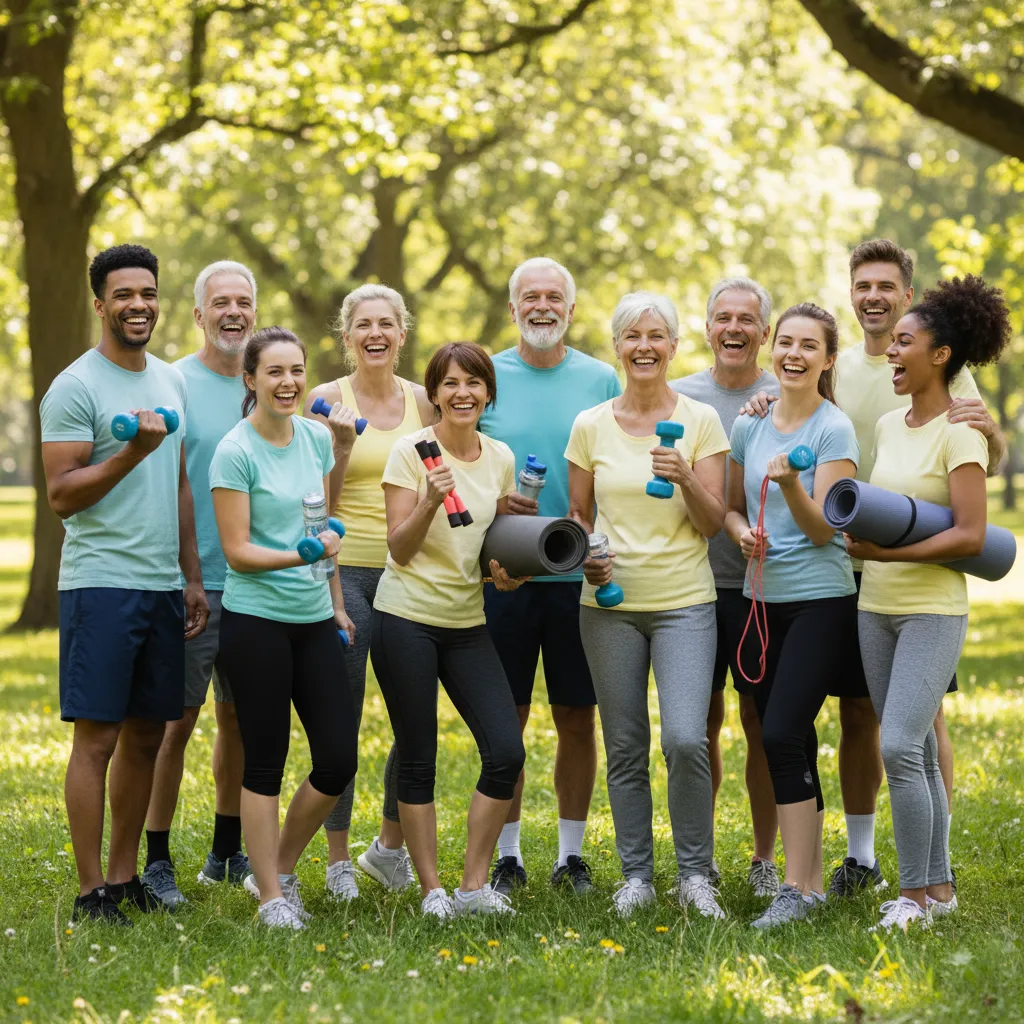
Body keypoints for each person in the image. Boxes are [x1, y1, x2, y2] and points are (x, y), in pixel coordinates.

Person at [740, 239, 1006, 897]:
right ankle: (866, 859)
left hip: (902, 570)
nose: (875, 300)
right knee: (866, 723)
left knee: (915, 733)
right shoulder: (884, 408)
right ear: (852, 291)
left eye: (887, 287)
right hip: (853, 575)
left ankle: (930, 881)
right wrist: (761, 398)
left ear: (908, 299)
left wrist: (995, 435)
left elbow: (972, 452)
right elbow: (795, 399)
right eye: (863, 285)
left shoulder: (942, 369)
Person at [40, 244, 207, 924]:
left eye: (147, 292)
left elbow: (177, 485)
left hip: (162, 585)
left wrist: (192, 576)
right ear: (101, 303)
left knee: (146, 736)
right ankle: (88, 893)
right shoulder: (75, 386)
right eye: (124, 294)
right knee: (99, 739)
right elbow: (60, 494)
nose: (138, 304)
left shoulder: (171, 382)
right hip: (101, 585)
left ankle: (123, 876)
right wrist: (131, 451)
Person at [845, 276, 1010, 931]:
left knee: (901, 745)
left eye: (905, 342)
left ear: (940, 355)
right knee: (911, 753)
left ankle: (911, 897)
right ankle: (938, 890)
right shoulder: (889, 424)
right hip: (875, 608)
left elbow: (969, 534)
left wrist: (884, 556)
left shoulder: (961, 431)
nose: (892, 350)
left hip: (933, 610)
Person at [567, 292, 730, 919]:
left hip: (684, 601)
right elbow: (577, 516)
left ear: (673, 346)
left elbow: (714, 524)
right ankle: (637, 874)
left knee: (688, 739)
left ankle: (695, 874)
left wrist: (687, 475)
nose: (644, 346)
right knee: (626, 743)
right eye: (632, 335)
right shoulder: (591, 424)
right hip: (607, 606)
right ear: (617, 346)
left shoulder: (700, 420)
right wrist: (585, 554)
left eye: (656, 335)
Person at [477, 257, 621, 896]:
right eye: (529, 297)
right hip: (505, 575)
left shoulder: (600, 378)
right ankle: (507, 856)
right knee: (505, 719)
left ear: (570, 308)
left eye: (553, 297)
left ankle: (571, 856)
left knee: (575, 716)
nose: (542, 306)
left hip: (576, 578)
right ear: (513, 310)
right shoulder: (486, 377)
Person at [370, 342, 527, 919]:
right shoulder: (411, 452)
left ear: (488, 393)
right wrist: (430, 503)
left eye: (474, 383)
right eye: (450, 383)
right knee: (418, 755)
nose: (463, 393)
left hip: (467, 621)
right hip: (405, 617)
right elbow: (400, 549)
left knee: (506, 752)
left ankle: (471, 887)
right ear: (433, 393)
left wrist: (505, 576)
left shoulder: (500, 457)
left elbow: (489, 550)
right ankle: (432, 890)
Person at [210, 327, 358, 930]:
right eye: (273, 371)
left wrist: (338, 601)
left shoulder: (317, 439)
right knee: (265, 760)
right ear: (250, 380)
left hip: (315, 618)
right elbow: (238, 551)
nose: (288, 382)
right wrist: (303, 556)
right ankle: (271, 896)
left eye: (296, 370)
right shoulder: (234, 451)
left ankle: (276, 867)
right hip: (256, 622)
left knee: (337, 759)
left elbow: (323, 530)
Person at [724, 303, 860, 929]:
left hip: (820, 601)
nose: (794, 354)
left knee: (780, 733)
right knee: (787, 736)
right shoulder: (750, 424)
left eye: (810, 346)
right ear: (772, 350)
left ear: (828, 359)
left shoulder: (834, 431)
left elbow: (826, 530)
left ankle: (798, 891)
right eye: (786, 342)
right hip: (759, 602)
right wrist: (739, 534)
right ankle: (806, 882)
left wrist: (788, 488)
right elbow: (728, 507)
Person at [304, 283, 435, 901]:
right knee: (342, 720)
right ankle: (335, 861)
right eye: (364, 324)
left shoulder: (425, 403)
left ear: (402, 334)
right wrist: (341, 447)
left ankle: (386, 847)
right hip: (345, 574)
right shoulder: (323, 400)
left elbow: (444, 481)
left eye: (387, 323)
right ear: (347, 334)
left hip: (409, 576)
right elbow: (308, 500)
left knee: (414, 717)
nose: (375, 333)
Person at [141, 261, 256, 908]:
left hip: (253, 586)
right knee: (174, 723)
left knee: (238, 720)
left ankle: (225, 849)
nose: (233, 312)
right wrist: (186, 574)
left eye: (244, 302)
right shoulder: (173, 382)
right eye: (221, 303)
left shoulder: (262, 382)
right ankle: (157, 859)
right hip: (191, 583)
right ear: (198, 314)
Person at [670, 277, 781, 899]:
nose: (733, 329)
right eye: (722, 318)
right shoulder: (680, 396)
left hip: (762, 591)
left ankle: (764, 858)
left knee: (761, 722)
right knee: (698, 726)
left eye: (746, 319)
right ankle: (699, 859)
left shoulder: (789, 390)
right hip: (690, 587)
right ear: (708, 328)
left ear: (763, 332)